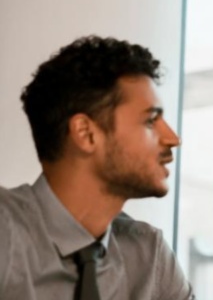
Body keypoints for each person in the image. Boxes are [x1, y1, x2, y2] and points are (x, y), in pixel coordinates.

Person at [0, 36, 195, 299]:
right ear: (86, 133)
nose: (173, 138)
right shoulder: (6, 232)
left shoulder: (151, 258)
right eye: (151, 121)